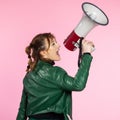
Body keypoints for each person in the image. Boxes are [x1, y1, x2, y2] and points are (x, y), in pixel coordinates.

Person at [16, 33, 94, 120]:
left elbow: (22, 110)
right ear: (44, 53)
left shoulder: (28, 77)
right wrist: (86, 54)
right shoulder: (54, 72)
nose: (58, 45)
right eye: (53, 44)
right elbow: (78, 85)